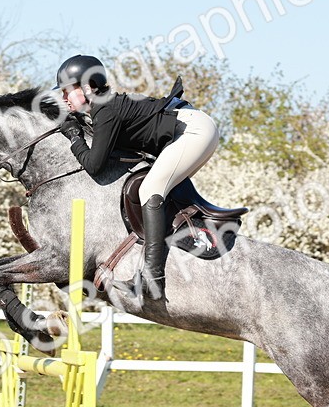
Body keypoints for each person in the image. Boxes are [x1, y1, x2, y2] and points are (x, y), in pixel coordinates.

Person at [56, 54, 220, 303]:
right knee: (158, 189)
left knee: (151, 188)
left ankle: (152, 278)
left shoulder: (105, 109)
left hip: (194, 131)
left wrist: (74, 138)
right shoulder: (103, 108)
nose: (64, 97)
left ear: (88, 87)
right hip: (193, 129)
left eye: (68, 90)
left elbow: (94, 166)